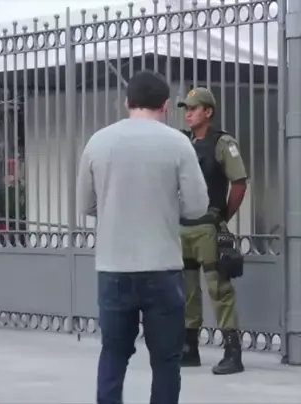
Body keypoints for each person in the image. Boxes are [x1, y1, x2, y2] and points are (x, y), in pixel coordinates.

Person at [77, 70, 209, 404]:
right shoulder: (178, 143)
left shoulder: (98, 142)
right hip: (162, 267)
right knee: (166, 359)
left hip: (113, 267)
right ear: (165, 105)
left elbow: (86, 205)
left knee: (113, 353)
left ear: (127, 102)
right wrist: (166, 207)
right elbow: (197, 206)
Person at [177, 87, 248, 375]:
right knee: (187, 290)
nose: (188, 113)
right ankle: (189, 349)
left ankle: (233, 353)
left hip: (207, 228)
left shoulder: (222, 143)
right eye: (186, 108)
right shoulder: (183, 143)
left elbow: (239, 183)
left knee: (219, 289)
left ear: (208, 112)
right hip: (184, 227)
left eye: (194, 108)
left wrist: (221, 217)